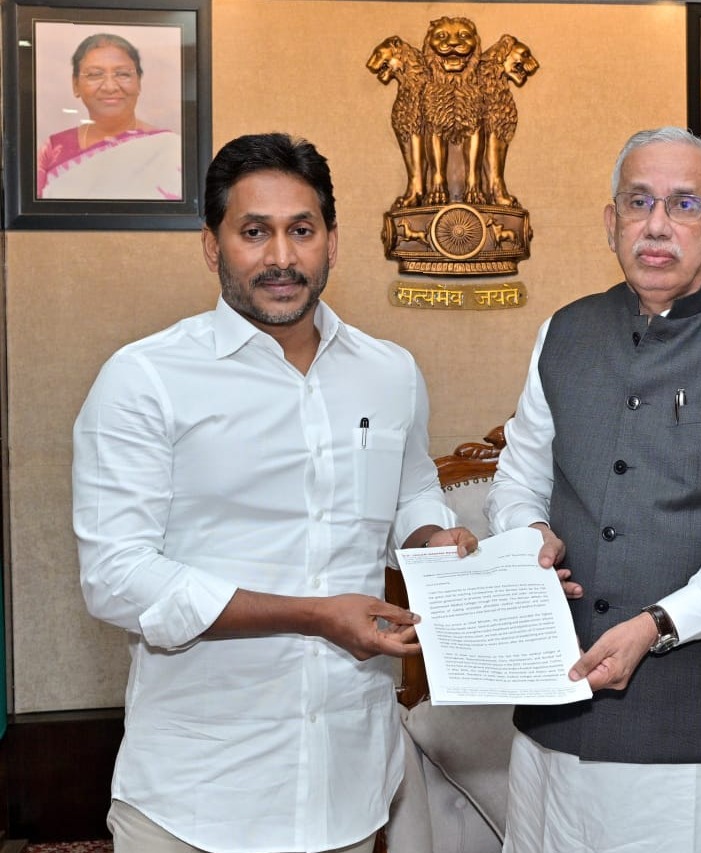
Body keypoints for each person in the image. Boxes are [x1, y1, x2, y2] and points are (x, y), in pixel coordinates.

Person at [74, 132, 476, 852]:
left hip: (348, 783)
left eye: (302, 230)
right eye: (254, 232)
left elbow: (410, 496)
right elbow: (116, 579)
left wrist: (432, 537)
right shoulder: (145, 379)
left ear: (332, 241)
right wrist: (314, 615)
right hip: (195, 793)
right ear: (212, 245)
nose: (282, 258)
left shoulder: (389, 372)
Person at [486, 126, 701, 852]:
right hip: (559, 710)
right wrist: (526, 534)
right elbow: (521, 474)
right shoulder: (564, 332)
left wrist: (661, 622)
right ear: (610, 221)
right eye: (638, 201)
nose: (656, 224)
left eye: (684, 204)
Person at [37, 32, 181, 200]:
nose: (110, 87)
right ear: (75, 84)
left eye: (123, 74)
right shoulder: (54, 149)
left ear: (138, 82)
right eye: (95, 74)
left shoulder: (171, 150)